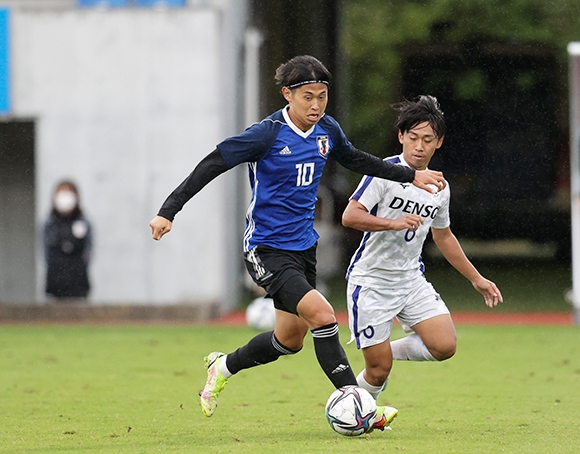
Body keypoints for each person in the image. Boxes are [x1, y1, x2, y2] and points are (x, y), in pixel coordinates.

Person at [149, 55, 447, 429]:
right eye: (308, 96)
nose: (316, 105)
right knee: (323, 316)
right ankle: (359, 407)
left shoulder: (326, 130)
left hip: (303, 247)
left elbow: (355, 158)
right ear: (287, 94)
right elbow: (212, 164)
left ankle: (222, 366)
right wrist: (168, 210)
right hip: (265, 248)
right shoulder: (266, 134)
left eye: (322, 96)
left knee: (289, 339)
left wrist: (408, 175)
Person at [342, 95, 502, 402]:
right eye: (413, 137)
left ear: (439, 142)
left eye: (427, 139)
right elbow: (350, 216)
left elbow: (444, 237)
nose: (419, 146)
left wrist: (476, 279)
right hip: (372, 281)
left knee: (444, 346)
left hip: (410, 280)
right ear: (401, 136)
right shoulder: (384, 171)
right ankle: (353, 408)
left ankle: (380, 353)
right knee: (378, 372)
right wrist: (393, 223)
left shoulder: (439, 186)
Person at [43, 180, 93, 299]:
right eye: (61, 193)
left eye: (68, 193)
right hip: (55, 285)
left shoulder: (83, 222)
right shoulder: (49, 224)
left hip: (79, 284)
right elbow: (44, 253)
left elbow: (89, 251)